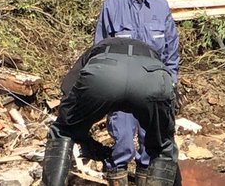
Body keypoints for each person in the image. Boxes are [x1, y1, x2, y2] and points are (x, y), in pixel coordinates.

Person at [93, 0, 180, 186]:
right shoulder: (112, 5)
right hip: (121, 85)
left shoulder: (160, 5)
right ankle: (117, 175)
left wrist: (171, 80)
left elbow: (171, 47)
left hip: (153, 85)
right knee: (121, 141)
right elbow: (100, 47)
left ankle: (144, 177)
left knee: (149, 143)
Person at [41, 33, 178, 186]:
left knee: (63, 132)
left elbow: (67, 94)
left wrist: (77, 134)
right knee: (164, 148)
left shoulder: (94, 51)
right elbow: (170, 102)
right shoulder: (152, 54)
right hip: (152, 77)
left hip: (103, 74)